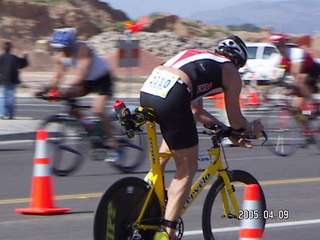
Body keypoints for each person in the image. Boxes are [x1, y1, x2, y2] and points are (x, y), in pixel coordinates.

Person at [140, 35, 264, 240]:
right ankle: (167, 232)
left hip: (149, 90)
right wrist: (251, 128)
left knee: (172, 143)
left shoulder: (199, 58)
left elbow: (196, 112)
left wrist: (225, 129)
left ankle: (146, 196)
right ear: (238, 61)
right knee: (187, 168)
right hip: (174, 93)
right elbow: (238, 122)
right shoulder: (229, 70)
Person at [44, 28, 118, 151]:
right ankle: (88, 128)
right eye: (57, 48)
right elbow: (57, 76)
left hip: (102, 79)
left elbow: (83, 74)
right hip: (87, 82)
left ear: (71, 45)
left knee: (98, 109)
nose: (61, 51)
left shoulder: (82, 49)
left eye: (64, 47)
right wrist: (45, 89)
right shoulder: (58, 56)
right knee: (67, 96)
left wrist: (66, 86)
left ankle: (112, 139)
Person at [269, 33, 320, 112]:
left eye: (280, 45)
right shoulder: (276, 56)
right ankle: (303, 116)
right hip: (295, 72)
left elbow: (296, 72)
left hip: (311, 69)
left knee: (300, 82)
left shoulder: (295, 52)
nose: (279, 48)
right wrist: (274, 81)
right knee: (297, 103)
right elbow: (273, 73)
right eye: (276, 46)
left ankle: (312, 103)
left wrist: (291, 87)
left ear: (284, 44)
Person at [0, 41, 28, 119]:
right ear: (10, 49)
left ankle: (2, 113)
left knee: (4, 97)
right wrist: (25, 57)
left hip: (3, 79)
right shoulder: (14, 58)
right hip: (12, 79)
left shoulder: (1, 57)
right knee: (11, 97)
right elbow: (22, 64)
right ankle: (10, 114)